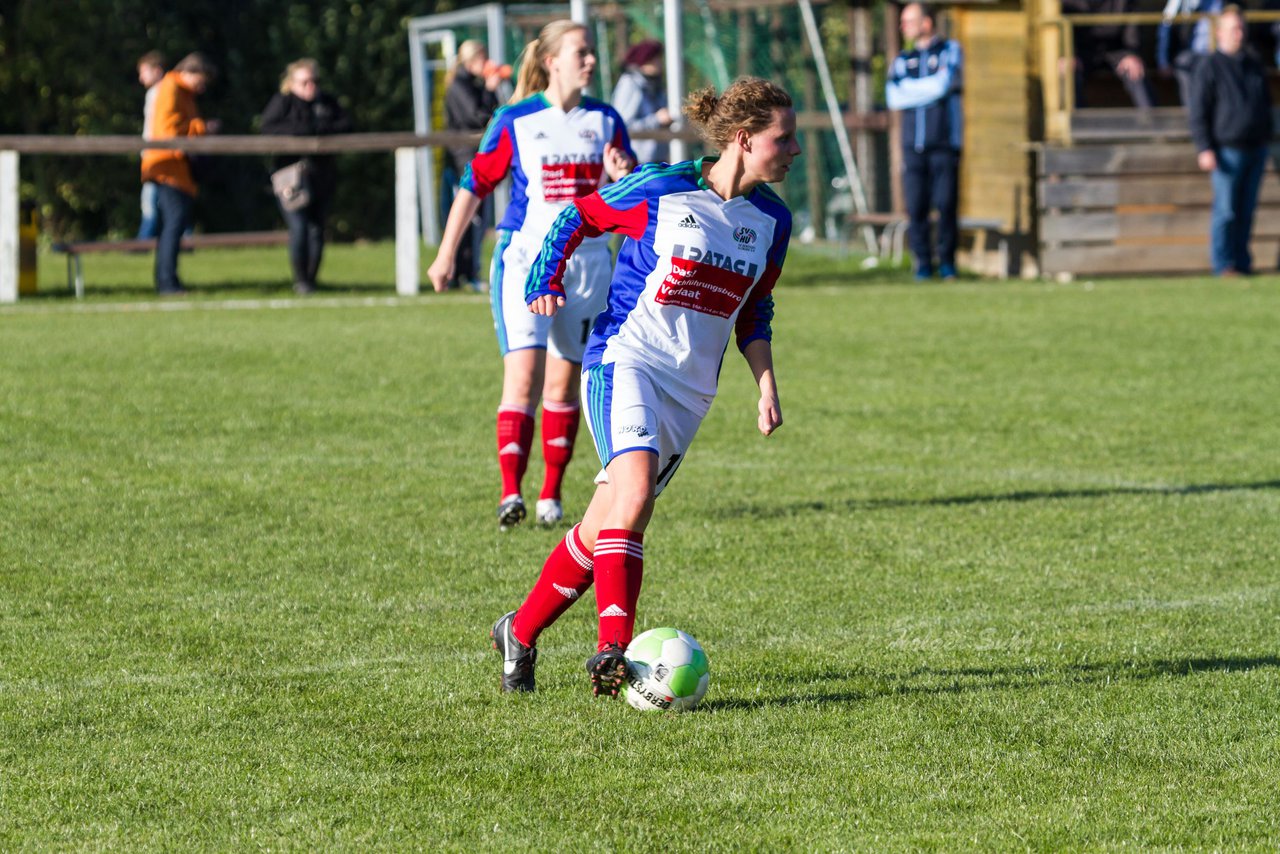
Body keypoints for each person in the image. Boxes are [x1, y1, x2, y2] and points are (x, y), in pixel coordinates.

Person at [489, 76, 799, 696]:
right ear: (744, 139)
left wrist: (765, 384)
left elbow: (755, 311)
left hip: (688, 395)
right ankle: (614, 650)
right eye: (783, 139)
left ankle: (516, 634)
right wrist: (543, 278)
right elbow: (580, 215)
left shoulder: (772, 221)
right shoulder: (662, 187)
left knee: (606, 523)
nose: (794, 151)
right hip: (623, 359)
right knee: (631, 497)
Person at [427, 20, 637, 530]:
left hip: (587, 265)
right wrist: (447, 251)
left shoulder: (605, 120)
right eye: (581, 52)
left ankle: (550, 495)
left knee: (563, 388)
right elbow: (473, 185)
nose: (590, 60)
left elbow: (628, 194)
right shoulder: (515, 118)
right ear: (551, 61)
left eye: (591, 52)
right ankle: (509, 494)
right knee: (523, 377)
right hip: (526, 261)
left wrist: (622, 174)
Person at [1188, 5, 1274, 277]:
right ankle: (1223, 265)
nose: (1239, 33)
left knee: (1246, 212)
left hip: (1256, 148)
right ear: (1219, 32)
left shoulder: (1253, 64)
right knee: (1226, 212)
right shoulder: (1210, 66)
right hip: (1227, 150)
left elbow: (1264, 103)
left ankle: (1243, 263)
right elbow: (1198, 112)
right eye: (1233, 28)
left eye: (1241, 28)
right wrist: (1204, 148)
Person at [260, 58, 353, 295]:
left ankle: (311, 280)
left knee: (316, 230)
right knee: (299, 227)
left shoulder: (327, 102)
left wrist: (320, 128)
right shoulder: (283, 103)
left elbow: (346, 124)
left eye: (315, 81)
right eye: (305, 82)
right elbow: (268, 129)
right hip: (291, 177)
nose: (311, 86)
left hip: (321, 175)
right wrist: (307, 130)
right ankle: (301, 280)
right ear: (291, 83)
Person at [886, 3, 963, 280]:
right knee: (916, 207)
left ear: (927, 23)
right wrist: (930, 89)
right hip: (912, 146)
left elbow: (945, 85)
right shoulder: (902, 59)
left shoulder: (950, 50)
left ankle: (947, 264)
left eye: (909, 20)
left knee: (945, 205)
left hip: (944, 144)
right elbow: (894, 97)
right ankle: (922, 265)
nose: (902, 26)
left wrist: (913, 91)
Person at [141, 52, 214, 296]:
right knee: (174, 224)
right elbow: (167, 130)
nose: (201, 88)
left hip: (175, 168)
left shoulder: (182, 91)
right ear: (189, 72)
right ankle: (167, 282)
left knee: (174, 223)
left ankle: (168, 280)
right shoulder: (171, 87)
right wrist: (202, 127)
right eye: (200, 81)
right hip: (166, 166)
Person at [442, 40, 504, 291]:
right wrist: (490, 89)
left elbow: (494, 112)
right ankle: (460, 272)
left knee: (476, 217)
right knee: (468, 216)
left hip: (473, 155)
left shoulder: (472, 83)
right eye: (483, 58)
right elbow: (478, 117)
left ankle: (468, 272)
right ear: (471, 60)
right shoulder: (458, 85)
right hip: (463, 158)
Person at [1062, 0, 1155, 109]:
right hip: (1081, 52)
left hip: (1117, 50)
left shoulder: (1125, 2)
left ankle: (1151, 121)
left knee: (1136, 71)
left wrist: (1132, 54)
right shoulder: (1067, 3)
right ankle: (1075, 122)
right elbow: (1061, 29)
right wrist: (1068, 54)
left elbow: (1133, 29)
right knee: (1068, 73)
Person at [610, 39, 672, 164]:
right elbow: (623, 125)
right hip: (637, 162)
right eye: (656, 59)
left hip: (657, 160)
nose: (660, 63)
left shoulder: (655, 84)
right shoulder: (630, 83)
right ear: (644, 61)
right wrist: (657, 120)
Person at [1157, 0, 1224, 105]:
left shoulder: (1226, 3)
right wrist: (1163, 61)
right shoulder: (1181, 2)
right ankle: (1192, 114)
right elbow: (1165, 28)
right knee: (1184, 65)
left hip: (1220, 55)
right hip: (1191, 53)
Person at [135, 51, 166, 240]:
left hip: (159, 155)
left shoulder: (162, 92)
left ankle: (143, 240)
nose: (141, 77)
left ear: (157, 70)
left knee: (152, 201)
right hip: (153, 154)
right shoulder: (154, 93)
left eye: (144, 71)